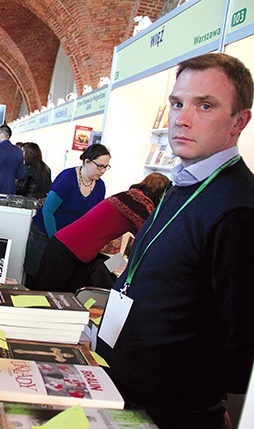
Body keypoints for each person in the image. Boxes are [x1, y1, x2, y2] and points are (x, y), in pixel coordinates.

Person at [97, 53, 254, 429]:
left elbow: (242, 340)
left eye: (204, 105)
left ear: (239, 121)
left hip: (167, 413)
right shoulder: (180, 182)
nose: (181, 119)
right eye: (177, 103)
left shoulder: (237, 208)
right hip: (118, 391)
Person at [32, 172, 169, 292]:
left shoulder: (129, 197)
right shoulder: (141, 205)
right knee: (49, 298)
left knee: (56, 297)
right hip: (70, 250)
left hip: (66, 246)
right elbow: (150, 237)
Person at [23, 143, 110, 288]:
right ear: (86, 161)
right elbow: (48, 211)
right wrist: (56, 240)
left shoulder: (100, 187)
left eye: (106, 167)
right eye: (99, 166)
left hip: (68, 240)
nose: (102, 171)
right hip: (46, 233)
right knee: (37, 275)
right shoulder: (68, 178)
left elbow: (92, 218)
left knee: (56, 279)